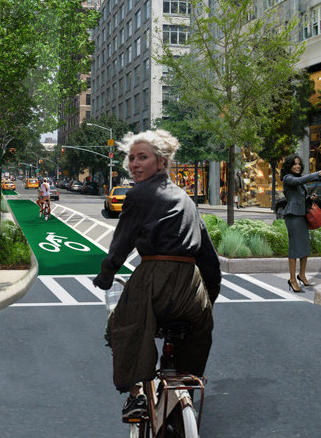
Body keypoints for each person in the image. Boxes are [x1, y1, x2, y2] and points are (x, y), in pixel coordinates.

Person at [92, 129, 221, 423]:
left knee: (123, 326)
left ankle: (135, 396)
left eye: (142, 157)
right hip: (192, 285)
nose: (134, 164)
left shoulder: (139, 194)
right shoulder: (187, 199)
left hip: (154, 279)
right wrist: (208, 298)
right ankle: (185, 381)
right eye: (131, 158)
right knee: (196, 332)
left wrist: (106, 275)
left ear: (161, 162)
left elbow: (121, 243)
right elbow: (209, 259)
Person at [280, 154, 321, 292]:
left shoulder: (297, 180)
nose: (297, 166)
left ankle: (301, 274)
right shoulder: (288, 179)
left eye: (299, 164)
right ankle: (292, 279)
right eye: (294, 164)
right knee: (294, 248)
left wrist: (310, 198)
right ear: (289, 166)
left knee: (305, 247)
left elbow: (300, 198)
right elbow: (299, 182)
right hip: (293, 217)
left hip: (302, 215)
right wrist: (320, 172)